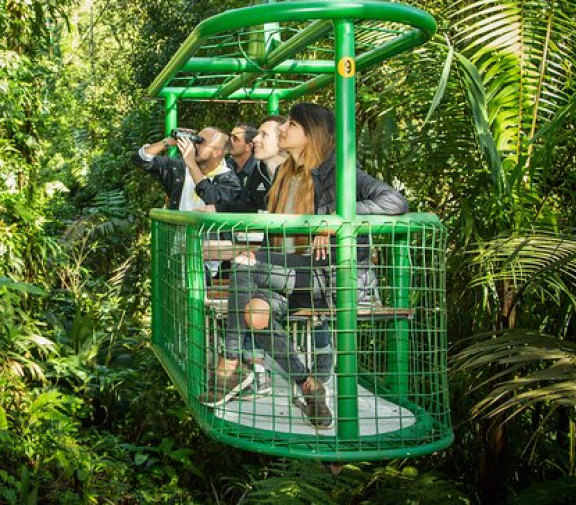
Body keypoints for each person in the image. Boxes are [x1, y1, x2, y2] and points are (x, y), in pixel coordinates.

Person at [204, 103, 408, 430]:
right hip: (296, 277)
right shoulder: (286, 173)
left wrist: (336, 217)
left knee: (245, 266)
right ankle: (308, 386)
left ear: (310, 134)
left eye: (292, 124)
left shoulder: (337, 170)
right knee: (255, 314)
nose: (283, 128)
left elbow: (395, 202)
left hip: (332, 278)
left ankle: (229, 366)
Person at [131, 127, 241, 211]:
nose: (195, 145)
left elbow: (213, 200)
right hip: (178, 239)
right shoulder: (179, 168)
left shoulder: (230, 180)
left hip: (209, 240)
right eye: (196, 140)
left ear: (217, 152)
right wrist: (166, 142)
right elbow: (140, 159)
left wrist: (191, 164)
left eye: (201, 142)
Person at [201, 117, 286, 214]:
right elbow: (251, 206)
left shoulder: (299, 172)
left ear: (283, 138)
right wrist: (217, 208)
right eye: (258, 134)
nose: (255, 139)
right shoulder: (258, 170)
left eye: (264, 135)